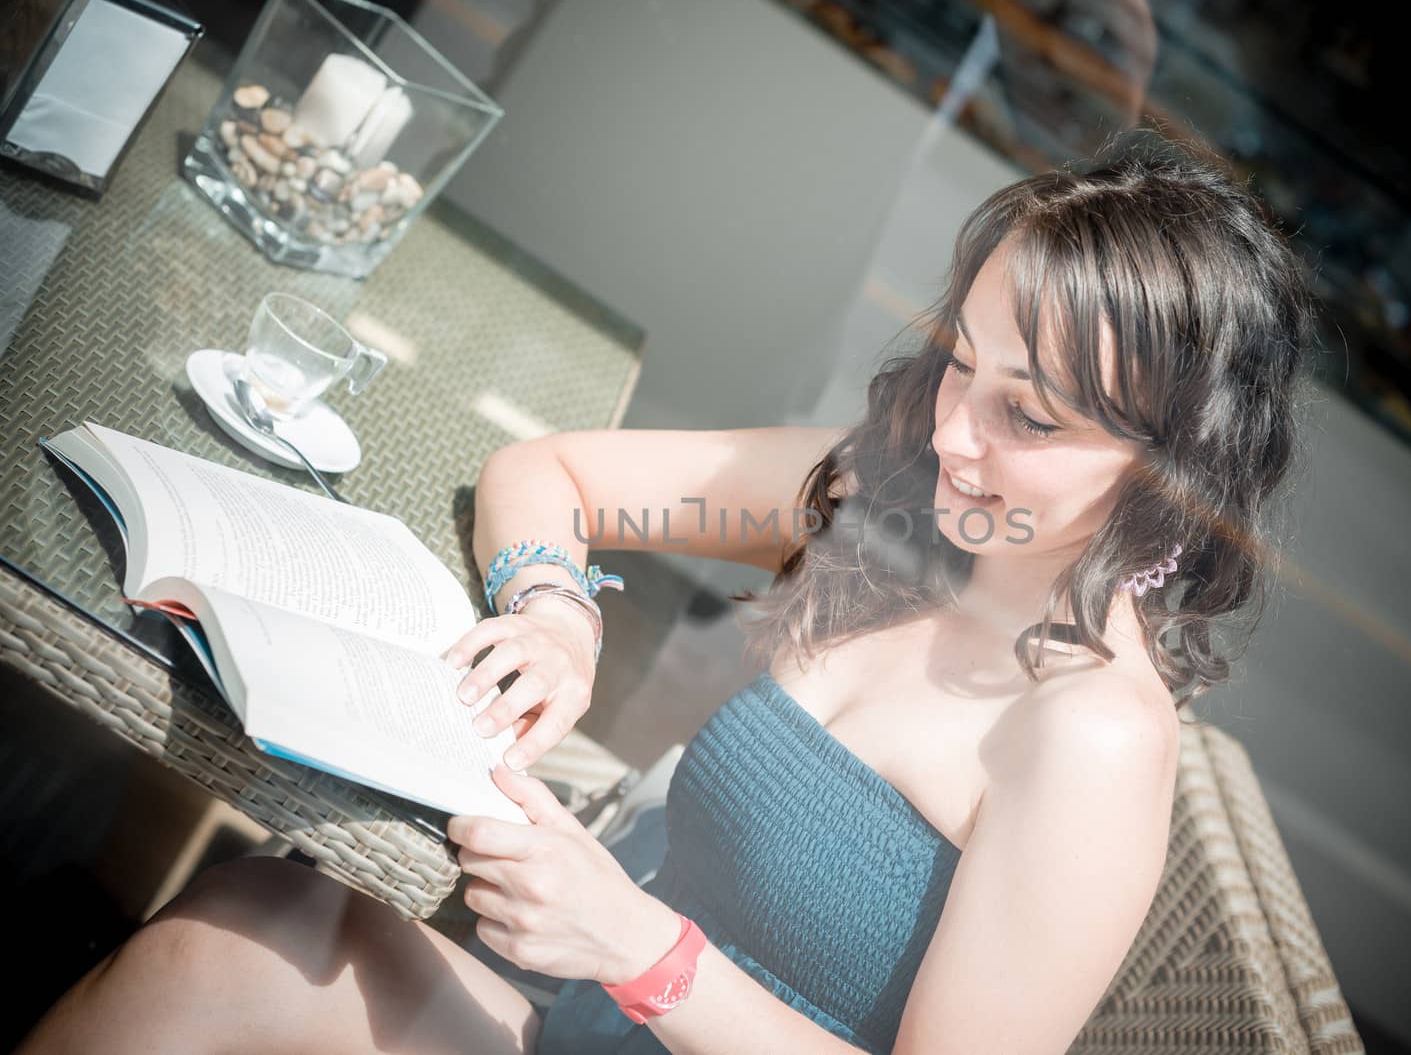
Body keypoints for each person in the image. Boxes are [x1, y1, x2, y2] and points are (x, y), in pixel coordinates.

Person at [18, 139, 1315, 1054]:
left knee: (223, 949)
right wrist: (553, 613)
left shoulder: (1090, 732)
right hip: (567, 988)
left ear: (1172, 465)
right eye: (958, 363)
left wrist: (639, 946)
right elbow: (552, 474)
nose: (953, 430)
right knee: (242, 921)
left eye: (1025, 414)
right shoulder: (905, 490)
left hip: (616, 991)